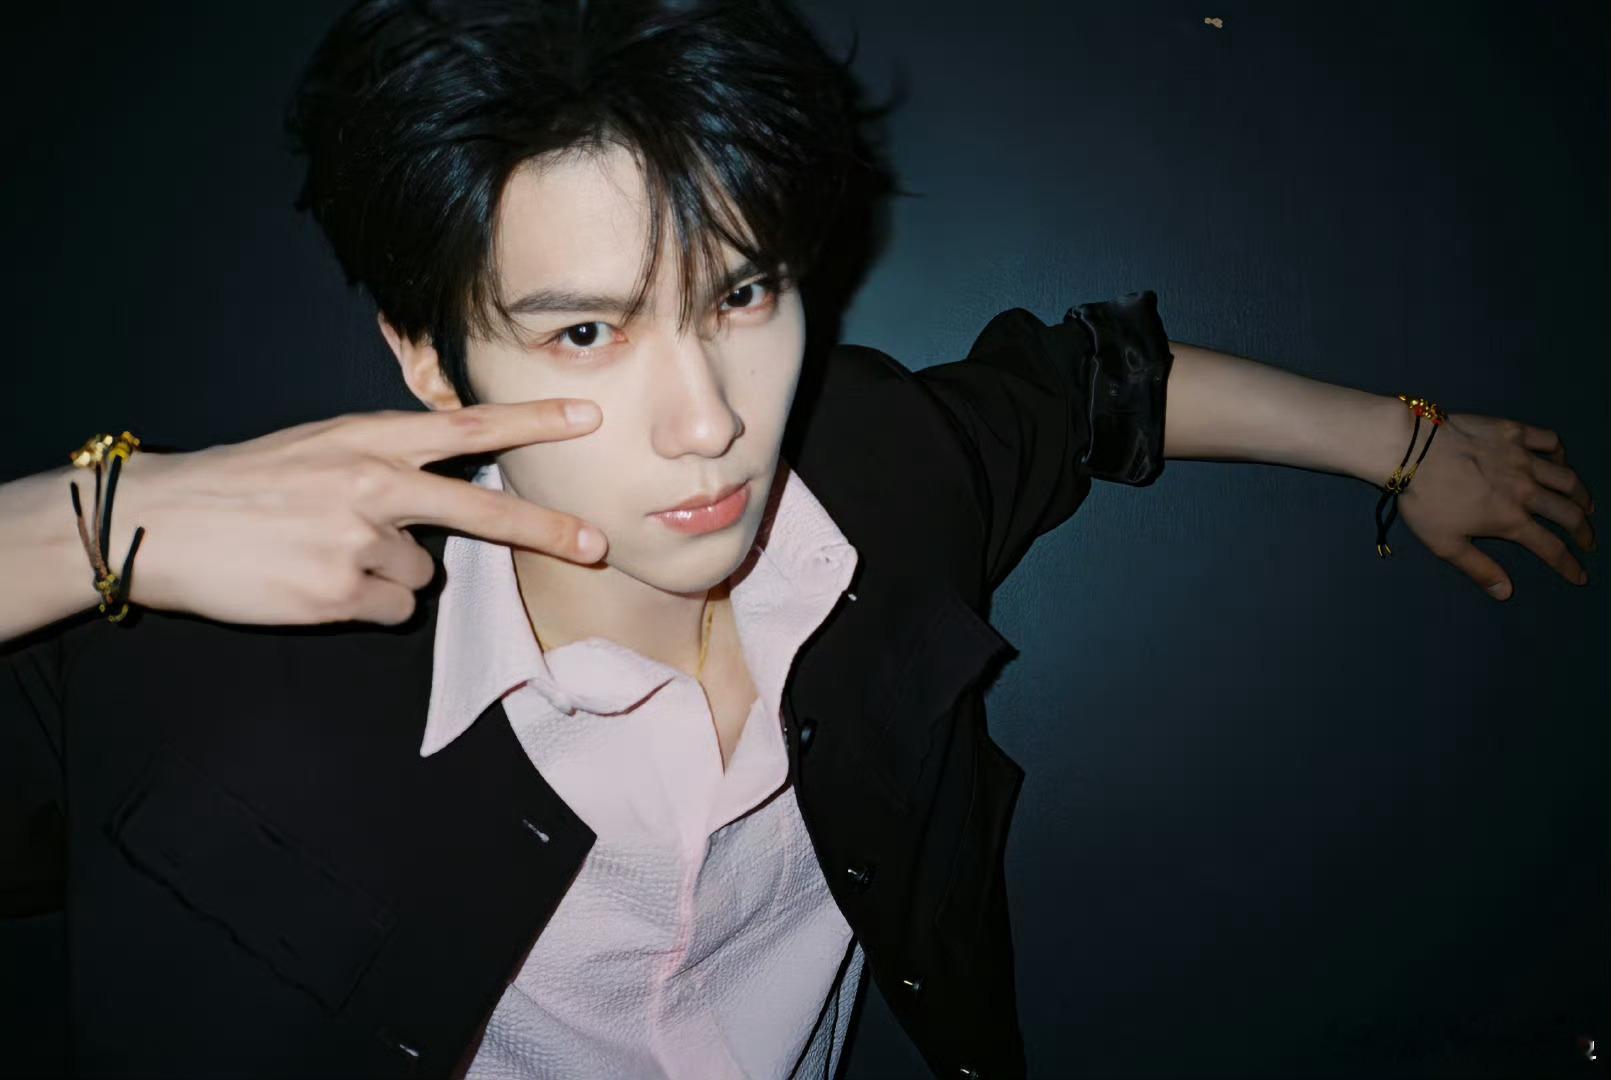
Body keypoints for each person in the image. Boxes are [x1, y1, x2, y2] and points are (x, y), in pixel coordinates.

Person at [0, 1, 1596, 1077]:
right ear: (429, 355)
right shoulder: (202, 657)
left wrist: (1409, 445)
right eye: (585, 332)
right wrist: (90, 525)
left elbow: (1100, 387)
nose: (707, 422)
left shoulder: (877, 476)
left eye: (742, 294)